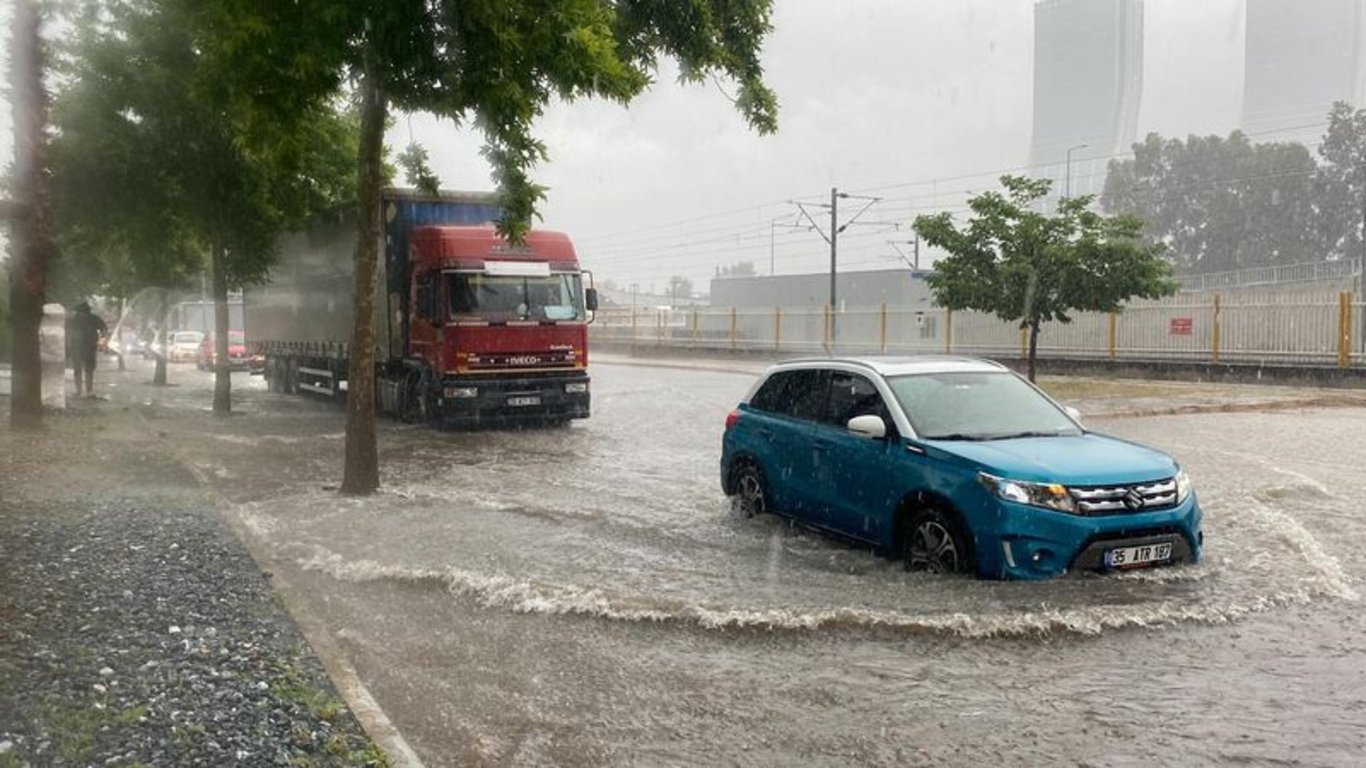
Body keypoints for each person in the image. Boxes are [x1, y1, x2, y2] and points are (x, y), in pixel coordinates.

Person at [65, 300, 108, 398]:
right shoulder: (92, 319)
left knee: (84, 369)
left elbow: (104, 330)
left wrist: (102, 342)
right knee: (84, 369)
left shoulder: (74, 320)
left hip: (84, 347)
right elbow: (104, 330)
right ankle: (84, 391)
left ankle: (83, 391)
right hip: (84, 347)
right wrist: (102, 342)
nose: (82, 314)